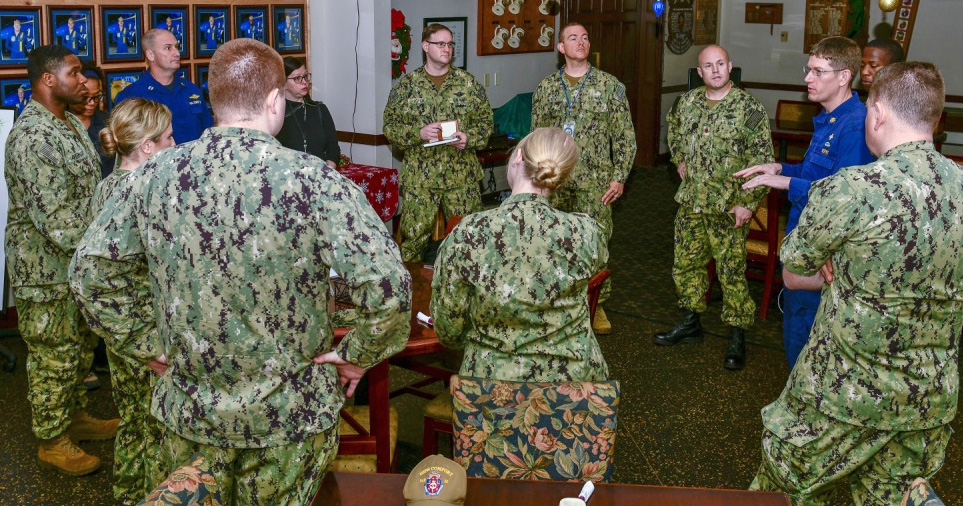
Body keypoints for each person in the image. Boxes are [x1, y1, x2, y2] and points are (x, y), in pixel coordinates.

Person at [70, 38, 412, 505]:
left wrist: (146, 343)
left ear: (214, 102)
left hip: (191, 410)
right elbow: (389, 288)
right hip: (288, 416)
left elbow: (90, 272)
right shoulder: (314, 180)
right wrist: (358, 354)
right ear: (274, 100)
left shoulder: (152, 176)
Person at [750, 61, 963, 505]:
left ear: (877, 114)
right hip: (925, 402)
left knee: (782, 496)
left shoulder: (850, 189)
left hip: (840, 395)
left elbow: (793, 274)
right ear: (935, 117)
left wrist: (843, 268)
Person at [5, 44, 118, 477]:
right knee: (53, 354)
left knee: (79, 347)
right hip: (45, 270)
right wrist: (108, 247)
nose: (83, 81)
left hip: (74, 264)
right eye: (74, 73)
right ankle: (52, 440)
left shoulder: (67, 121)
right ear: (48, 80)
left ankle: (75, 418)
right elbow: (56, 220)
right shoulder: (33, 137)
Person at [734, 36, 874, 369]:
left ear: (844, 76)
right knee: (797, 346)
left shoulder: (854, 125)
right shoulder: (831, 118)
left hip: (824, 258)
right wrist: (780, 168)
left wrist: (787, 183)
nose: (808, 78)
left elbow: (844, 198)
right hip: (805, 244)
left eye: (818, 72)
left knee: (811, 357)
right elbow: (816, 175)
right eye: (808, 70)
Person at [431, 127, 609, 382]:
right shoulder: (586, 232)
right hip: (573, 386)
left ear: (518, 157)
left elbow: (448, 331)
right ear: (561, 179)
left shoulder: (468, 233)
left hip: (489, 386)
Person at [657, 45, 773, 370]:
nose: (715, 70)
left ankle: (737, 334)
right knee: (686, 264)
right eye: (708, 66)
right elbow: (673, 128)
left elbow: (762, 160)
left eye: (720, 64)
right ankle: (690, 322)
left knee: (731, 271)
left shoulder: (749, 108)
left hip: (729, 205)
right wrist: (679, 158)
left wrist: (748, 203)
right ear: (700, 72)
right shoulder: (688, 102)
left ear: (730, 66)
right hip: (692, 201)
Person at [88, 97, 174, 505]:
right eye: (168, 137)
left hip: (121, 328)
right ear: (147, 146)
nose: (175, 144)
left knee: (133, 420)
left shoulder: (107, 185)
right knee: (155, 426)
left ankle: (127, 494)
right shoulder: (143, 192)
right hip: (148, 329)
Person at [531, 22, 636, 335]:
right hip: (556, 180)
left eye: (586, 37)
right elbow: (536, 135)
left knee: (595, 243)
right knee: (554, 242)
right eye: (573, 38)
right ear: (561, 47)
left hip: (596, 183)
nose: (581, 42)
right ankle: (557, 302)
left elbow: (625, 137)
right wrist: (536, 178)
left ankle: (597, 303)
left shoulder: (610, 86)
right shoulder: (547, 88)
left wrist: (619, 177)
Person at [383, 23, 493, 263]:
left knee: (470, 240)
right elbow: (390, 127)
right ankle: (412, 286)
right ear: (426, 46)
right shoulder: (407, 86)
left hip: (461, 177)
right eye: (440, 44)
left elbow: (486, 124)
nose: (447, 49)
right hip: (421, 178)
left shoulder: (468, 84)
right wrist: (418, 133)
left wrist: (469, 138)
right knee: (412, 243)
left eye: (450, 44)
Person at [115, 28, 213, 144]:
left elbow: (208, 132)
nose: (177, 53)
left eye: (176, 47)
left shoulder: (191, 90)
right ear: (150, 55)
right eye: (168, 48)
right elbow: (125, 144)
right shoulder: (131, 96)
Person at [276, 56, 340, 168]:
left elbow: (333, 149)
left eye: (305, 76)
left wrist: (326, 173)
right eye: (297, 78)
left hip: (321, 174)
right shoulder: (276, 113)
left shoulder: (320, 109)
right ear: (283, 82)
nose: (304, 82)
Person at [69, 65, 112, 178]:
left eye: (96, 96)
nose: (92, 103)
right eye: (85, 97)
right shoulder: (59, 124)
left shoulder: (109, 122)